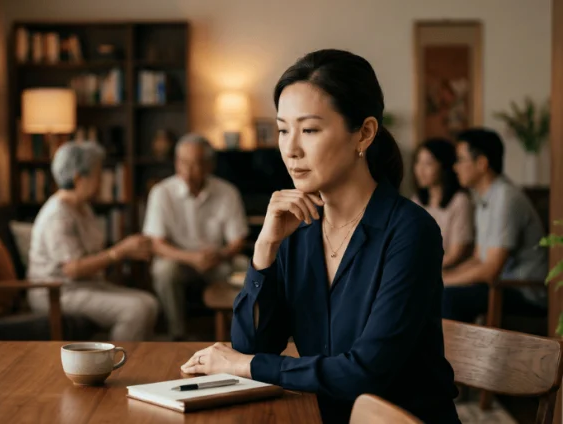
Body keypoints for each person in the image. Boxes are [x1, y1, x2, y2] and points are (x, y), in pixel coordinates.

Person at [180, 49, 460, 424]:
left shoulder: (410, 232)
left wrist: (245, 365)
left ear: (364, 133)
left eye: (309, 130)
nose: (291, 149)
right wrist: (264, 248)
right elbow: (253, 345)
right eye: (282, 130)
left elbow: (365, 373)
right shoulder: (298, 227)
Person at [27, 141, 159, 341]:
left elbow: (94, 255)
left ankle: (137, 359)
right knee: (136, 309)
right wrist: (121, 251)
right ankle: (117, 364)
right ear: (79, 178)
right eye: (98, 175)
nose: (101, 182)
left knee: (148, 302)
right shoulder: (57, 215)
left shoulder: (83, 208)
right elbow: (73, 269)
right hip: (58, 292)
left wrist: (127, 251)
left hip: (86, 285)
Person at [143, 133, 249, 340]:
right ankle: (177, 332)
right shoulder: (161, 192)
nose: (188, 171)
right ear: (176, 163)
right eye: (183, 163)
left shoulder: (227, 192)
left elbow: (238, 240)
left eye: (196, 164)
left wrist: (219, 254)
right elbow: (156, 243)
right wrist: (191, 258)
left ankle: (237, 332)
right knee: (164, 270)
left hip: (217, 259)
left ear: (210, 165)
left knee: (244, 266)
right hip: (179, 260)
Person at [442, 128, 548, 322]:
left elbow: (491, 269)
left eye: (460, 159)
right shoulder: (484, 198)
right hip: (501, 284)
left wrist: (444, 282)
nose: (455, 167)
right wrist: (445, 276)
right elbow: (478, 259)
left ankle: (452, 353)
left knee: (447, 298)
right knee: (436, 292)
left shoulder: (506, 198)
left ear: (481, 163)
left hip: (524, 290)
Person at [412, 138, 474, 268]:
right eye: (418, 162)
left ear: (444, 166)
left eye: (428, 163)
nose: (420, 169)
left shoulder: (460, 201)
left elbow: (456, 254)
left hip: (451, 274)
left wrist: (421, 270)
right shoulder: (416, 201)